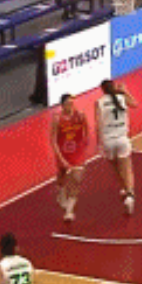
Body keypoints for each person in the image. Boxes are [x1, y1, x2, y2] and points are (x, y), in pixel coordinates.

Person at [95, 80, 138, 215]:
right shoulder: (121, 98)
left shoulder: (99, 102)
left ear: (102, 90)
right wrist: (125, 91)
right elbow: (135, 104)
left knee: (115, 167)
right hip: (122, 138)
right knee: (127, 168)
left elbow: (98, 125)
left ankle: (124, 188)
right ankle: (130, 194)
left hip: (108, 140)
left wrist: (99, 143)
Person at [51, 93, 89, 222]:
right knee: (61, 174)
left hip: (77, 152)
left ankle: (69, 211)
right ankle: (61, 193)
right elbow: (53, 140)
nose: (71, 106)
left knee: (77, 179)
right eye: (68, 104)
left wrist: (83, 147)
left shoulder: (80, 115)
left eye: (72, 103)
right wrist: (60, 158)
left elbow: (86, 132)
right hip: (63, 152)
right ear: (62, 105)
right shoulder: (57, 119)